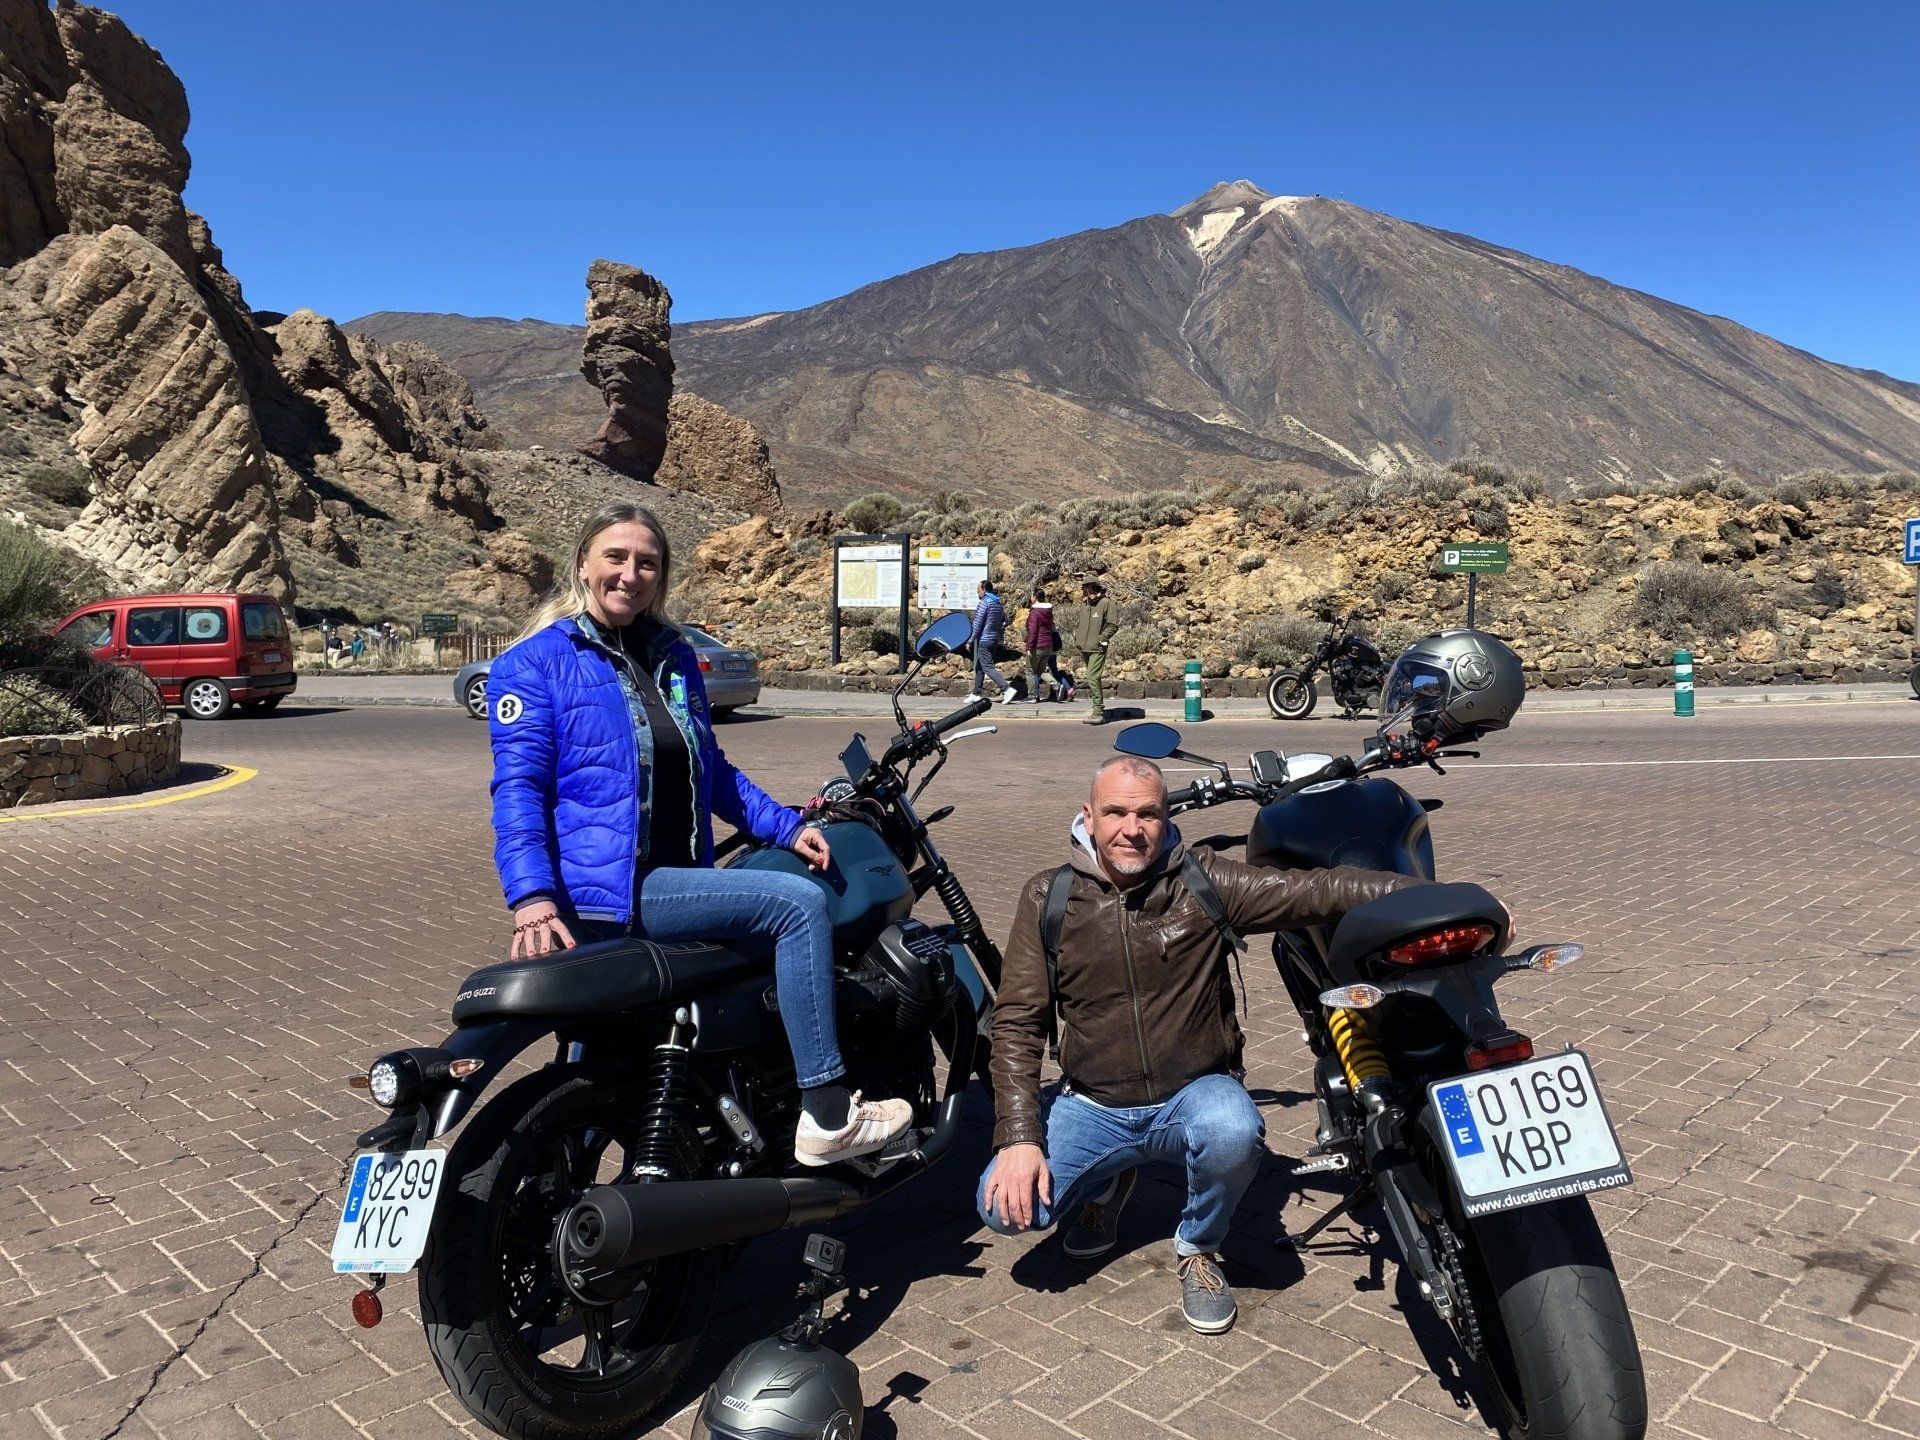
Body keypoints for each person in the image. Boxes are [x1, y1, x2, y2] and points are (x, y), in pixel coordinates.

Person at [488, 500, 914, 1167]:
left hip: (674, 876)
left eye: (647, 563)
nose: (630, 575)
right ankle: (829, 1114)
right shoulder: (537, 663)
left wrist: (787, 826)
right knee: (797, 906)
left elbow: (709, 770)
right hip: (615, 893)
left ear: (661, 576)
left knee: (774, 895)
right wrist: (532, 898)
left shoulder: (671, 655)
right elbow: (518, 791)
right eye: (615, 557)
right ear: (583, 565)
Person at [977, 755, 1417, 1332]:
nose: (1132, 829)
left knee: (1233, 1130)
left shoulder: (1203, 879)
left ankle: (1198, 1247)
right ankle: (1106, 1186)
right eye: (1115, 812)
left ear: (1165, 817)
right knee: (1005, 1209)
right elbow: (1017, 1022)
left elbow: (1318, 889)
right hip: (1093, 1104)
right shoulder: (1048, 897)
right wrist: (1018, 1137)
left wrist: (1438, 896)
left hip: (1194, 1094)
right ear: (1088, 815)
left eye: (1147, 814)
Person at [1069, 578, 1119, 724]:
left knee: (1092, 677)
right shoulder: (1085, 604)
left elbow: (1113, 625)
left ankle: (1098, 712)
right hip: (1085, 647)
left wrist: (1101, 638)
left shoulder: (1106, 603)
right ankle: (1096, 709)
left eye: (1083, 586)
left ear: (1090, 587)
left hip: (1097, 647)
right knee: (1093, 678)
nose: (1081, 589)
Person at [965, 579, 1015, 704]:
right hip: (994, 639)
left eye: (978, 590)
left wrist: (970, 640)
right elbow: (1004, 620)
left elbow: (977, 623)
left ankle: (1007, 689)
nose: (977, 592)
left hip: (984, 639)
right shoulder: (998, 603)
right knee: (980, 666)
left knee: (987, 667)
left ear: (984, 590)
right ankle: (975, 693)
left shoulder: (984, 603)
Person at [1021, 585, 1059, 703]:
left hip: (1037, 645)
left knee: (1030, 670)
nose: (1030, 598)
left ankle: (1032, 696)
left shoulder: (1035, 612)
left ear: (1035, 597)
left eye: (1031, 595)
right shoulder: (1048, 611)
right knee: (1040, 670)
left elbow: (1033, 631)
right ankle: (1056, 684)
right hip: (1048, 644)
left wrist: (1029, 647)